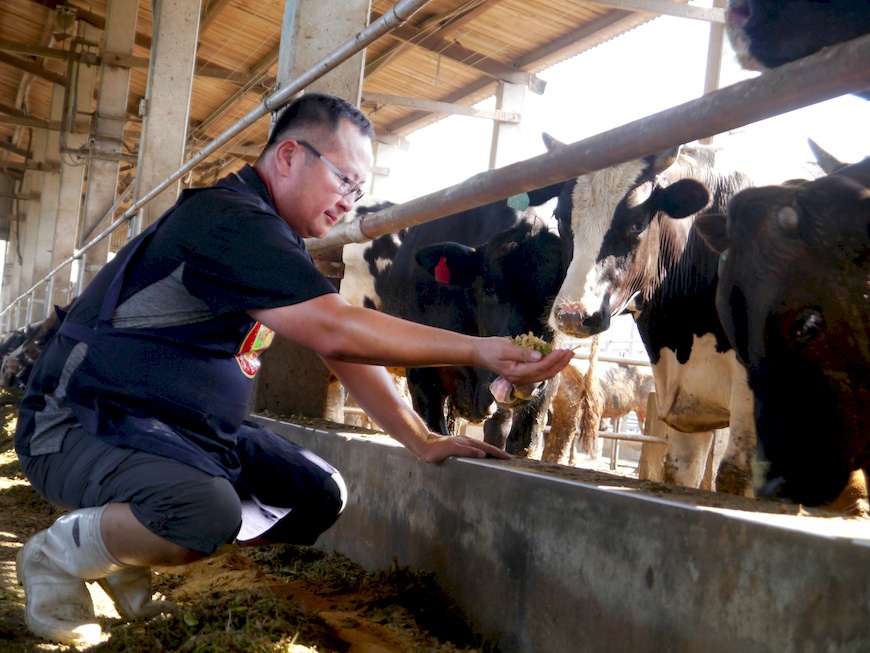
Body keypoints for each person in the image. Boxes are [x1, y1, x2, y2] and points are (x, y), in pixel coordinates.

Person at [13, 91, 573, 646]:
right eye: (344, 180)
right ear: (288, 157)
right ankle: (58, 555)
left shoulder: (272, 237)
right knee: (204, 511)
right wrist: (477, 349)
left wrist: (421, 438)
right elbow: (337, 330)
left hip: (172, 430)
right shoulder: (231, 221)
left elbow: (337, 349)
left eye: (359, 189)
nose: (351, 203)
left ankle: (126, 545)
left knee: (317, 495)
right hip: (76, 423)